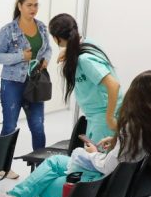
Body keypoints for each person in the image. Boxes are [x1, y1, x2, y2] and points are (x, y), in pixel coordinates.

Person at [0, 69, 151, 197]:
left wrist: (92, 153)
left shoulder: (132, 127)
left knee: (48, 187)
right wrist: (116, 141)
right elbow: (131, 153)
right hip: (123, 184)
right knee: (55, 161)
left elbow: (108, 166)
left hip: (102, 184)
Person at [0, 0, 52, 178]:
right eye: (29, 5)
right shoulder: (8, 30)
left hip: (35, 83)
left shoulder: (42, 27)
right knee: (9, 126)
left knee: (38, 125)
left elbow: (48, 49)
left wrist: (45, 59)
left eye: (36, 5)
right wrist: (20, 56)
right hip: (12, 83)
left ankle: (41, 168)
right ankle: (3, 167)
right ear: (20, 6)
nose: (33, 9)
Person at [48, 13, 123, 144]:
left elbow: (114, 85)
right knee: (92, 153)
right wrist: (67, 51)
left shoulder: (85, 60)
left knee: (96, 155)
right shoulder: (87, 43)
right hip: (98, 115)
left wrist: (109, 118)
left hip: (103, 116)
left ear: (56, 38)